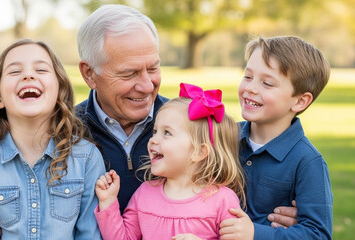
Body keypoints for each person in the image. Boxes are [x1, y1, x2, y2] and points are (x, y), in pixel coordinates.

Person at [0, 5, 299, 239]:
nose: (146, 85)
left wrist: (277, 228)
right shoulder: (65, 135)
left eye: (153, 68)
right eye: (129, 72)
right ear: (89, 73)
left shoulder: (193, 127)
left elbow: (247, 207)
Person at [0, 39, 105, 239]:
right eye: (14, 72)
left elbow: (90, 234)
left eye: (41, 70)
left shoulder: (87, 158)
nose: (29, 75)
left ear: (59, 91)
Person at [94, 83, 246, 240]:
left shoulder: (222, 200)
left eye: (167, 133)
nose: (153, 140)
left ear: (199, 152)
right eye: (155, 131)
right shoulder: (145, 194)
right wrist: (108, 202)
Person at [219, 36, 333, 239]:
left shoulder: (307, 161)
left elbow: (318, 234)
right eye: (247, 76)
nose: (251, 88)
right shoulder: (223, 136)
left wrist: (256, 233)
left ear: (299, 101)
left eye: (267, 83)